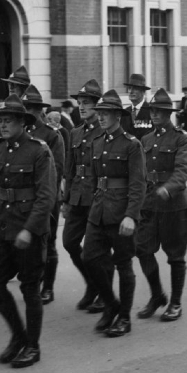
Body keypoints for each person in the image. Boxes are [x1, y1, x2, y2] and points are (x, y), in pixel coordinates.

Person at [0, 94, 56, 368]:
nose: (3, 125)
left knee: (29, 289)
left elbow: (46, 196)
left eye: (8, 121)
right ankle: (18, 335)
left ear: (22, 123)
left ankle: (32, 346)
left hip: (29, 231)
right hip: (4, 230)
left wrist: (29, 229)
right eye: (0, 120)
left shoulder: (39, 150)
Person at [83, 89, 146, 338]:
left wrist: (131, 215)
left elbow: (138, 183)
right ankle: (111, 305)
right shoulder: (97, 142)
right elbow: (93, 178)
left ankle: (124, 317)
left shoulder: (132, 144)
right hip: (98, 212)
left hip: (121, 213)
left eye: (106, 113)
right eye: (99, 113)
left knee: (123, 264)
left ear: (118, 116)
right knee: (90, 258)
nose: (101, 117)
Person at [135, 88, 187, 321]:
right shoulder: (146, 140)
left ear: (168, 113)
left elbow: (183, 170)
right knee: (142, 250)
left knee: (175, 256)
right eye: (152, 111)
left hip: (174, 206)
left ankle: (176, 303)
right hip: (149, 204)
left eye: (159, 111)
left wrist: (168, 188)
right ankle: (157, 295)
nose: (155, 114)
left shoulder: (181, 138)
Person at [62, 79, 108, 313]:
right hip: (78, 197)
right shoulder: (75, 132)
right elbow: (70, 168)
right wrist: (66, 199)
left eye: (87, 103)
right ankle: (92, 283)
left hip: (97, 197)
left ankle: (103, 292)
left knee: (96, 249)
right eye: (80, 103)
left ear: (98, 107)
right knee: (69, 242)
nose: (82, 107)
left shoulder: (104, 132)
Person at [21, 85, 65, 305]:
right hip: (23, 200)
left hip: (46, 198)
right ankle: (33, 281)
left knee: (48, 242)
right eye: (25, 107)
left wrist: (43, 199)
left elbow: (56, 170)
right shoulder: (20, 134)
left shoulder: (51, 135)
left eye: (32, 108)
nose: (28, 111)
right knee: (29, 243)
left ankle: (48, 287)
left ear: (39, 110)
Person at [121, 73, 154, 140]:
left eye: (135, 88)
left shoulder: (151, 111)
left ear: (143, 91)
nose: (131, 91)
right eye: (129, 88)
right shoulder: (125, 112)